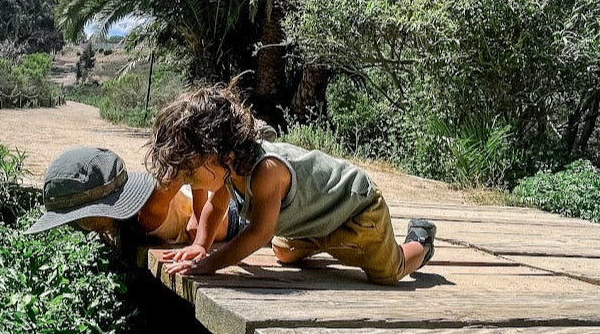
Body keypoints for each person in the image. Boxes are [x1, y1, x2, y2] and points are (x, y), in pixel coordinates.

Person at [147, 83, 436, 282]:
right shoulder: (230, 166)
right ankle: (329, 242)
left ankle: (420, 242)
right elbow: (215, 206)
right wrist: (200, 245)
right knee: (283, 252)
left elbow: (259, 234)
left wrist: (210, 264)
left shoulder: (266, 171)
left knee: (388, 272)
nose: (187, 180)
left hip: (355, 209)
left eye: (190, 172)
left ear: (223, 155)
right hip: (313, 219)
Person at [25, 145, 241, 244]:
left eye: (82, 218)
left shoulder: (150, 210)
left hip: (235, 215)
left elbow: (187, 161)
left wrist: (200, 216)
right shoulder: (127, 223)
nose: (83, 224)